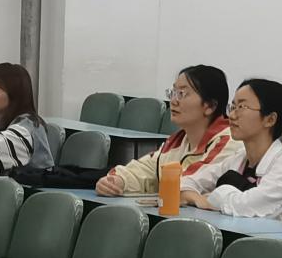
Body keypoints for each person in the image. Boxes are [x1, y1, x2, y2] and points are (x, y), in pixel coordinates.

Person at [183, 79, 282, 224]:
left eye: (242, 107)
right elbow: (188, 182)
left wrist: (212, 196)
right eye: (233, 107)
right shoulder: (238, 159)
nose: (232, 115)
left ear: (270, 119)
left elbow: (247, 208)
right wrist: (198, 198)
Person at [95, 66, 235, 195]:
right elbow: (144, 169)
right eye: (173, 92)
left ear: (210, 106)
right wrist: (117, 181)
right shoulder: (177, 142)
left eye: (182, 93)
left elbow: (190, 183)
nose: (173, 101)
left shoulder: (229, 141)